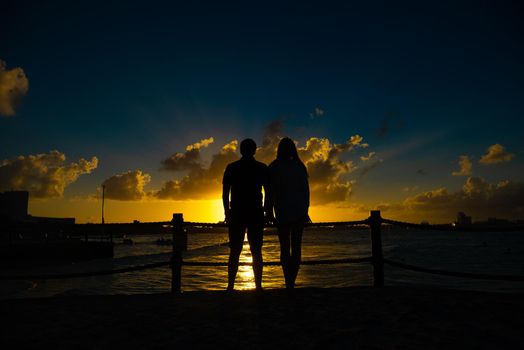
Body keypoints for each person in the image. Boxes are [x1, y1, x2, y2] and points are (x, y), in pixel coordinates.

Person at [222, 138, 271, 291]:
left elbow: (225, 194)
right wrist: (267, 211)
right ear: (255, 150)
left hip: (237, 212)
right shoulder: (261, 168)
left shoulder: (232, 167)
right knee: (256, 250)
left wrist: (227, 212)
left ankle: (230, 286)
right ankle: (258, 286)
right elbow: (269, 192)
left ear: (241, 150)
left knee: (235, 251)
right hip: (255, 212)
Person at [268, 137, 310, 290]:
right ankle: (291, 281)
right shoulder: (299, 166)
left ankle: (288, 282)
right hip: (298, 212)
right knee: (296, 247)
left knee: (285, 248)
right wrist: (306, 210)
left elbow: (270, 193)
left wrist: (269, 212)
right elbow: (306, 192)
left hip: (282, 212)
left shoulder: (273, 167)